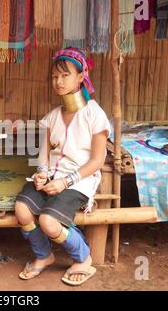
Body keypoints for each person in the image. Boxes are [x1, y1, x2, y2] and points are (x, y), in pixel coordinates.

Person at [14, 47, 111, 286]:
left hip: (80, 181)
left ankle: (83, 258)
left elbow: (97, 161)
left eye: (65, 75)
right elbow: (44, 156)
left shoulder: (95, 115)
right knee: (22, 209)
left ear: (81, 77)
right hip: (52, 178)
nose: (58, 81)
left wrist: (65, 182)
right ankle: (43, 256)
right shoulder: (52, 117)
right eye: (55, 76)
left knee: (48, 221)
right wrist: (41, 174)